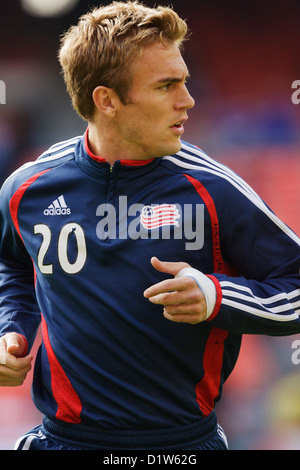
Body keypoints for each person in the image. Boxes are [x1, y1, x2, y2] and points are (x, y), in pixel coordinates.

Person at [0, 1, 299, 451]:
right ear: (107, 100)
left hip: (181, 448)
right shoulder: (27, 189)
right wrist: (11, 329)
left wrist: (218, 297)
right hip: (61, 441)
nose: (188, 100)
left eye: (185, 81)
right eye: (167, 86)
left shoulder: (214, 190)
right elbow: (13, 266)